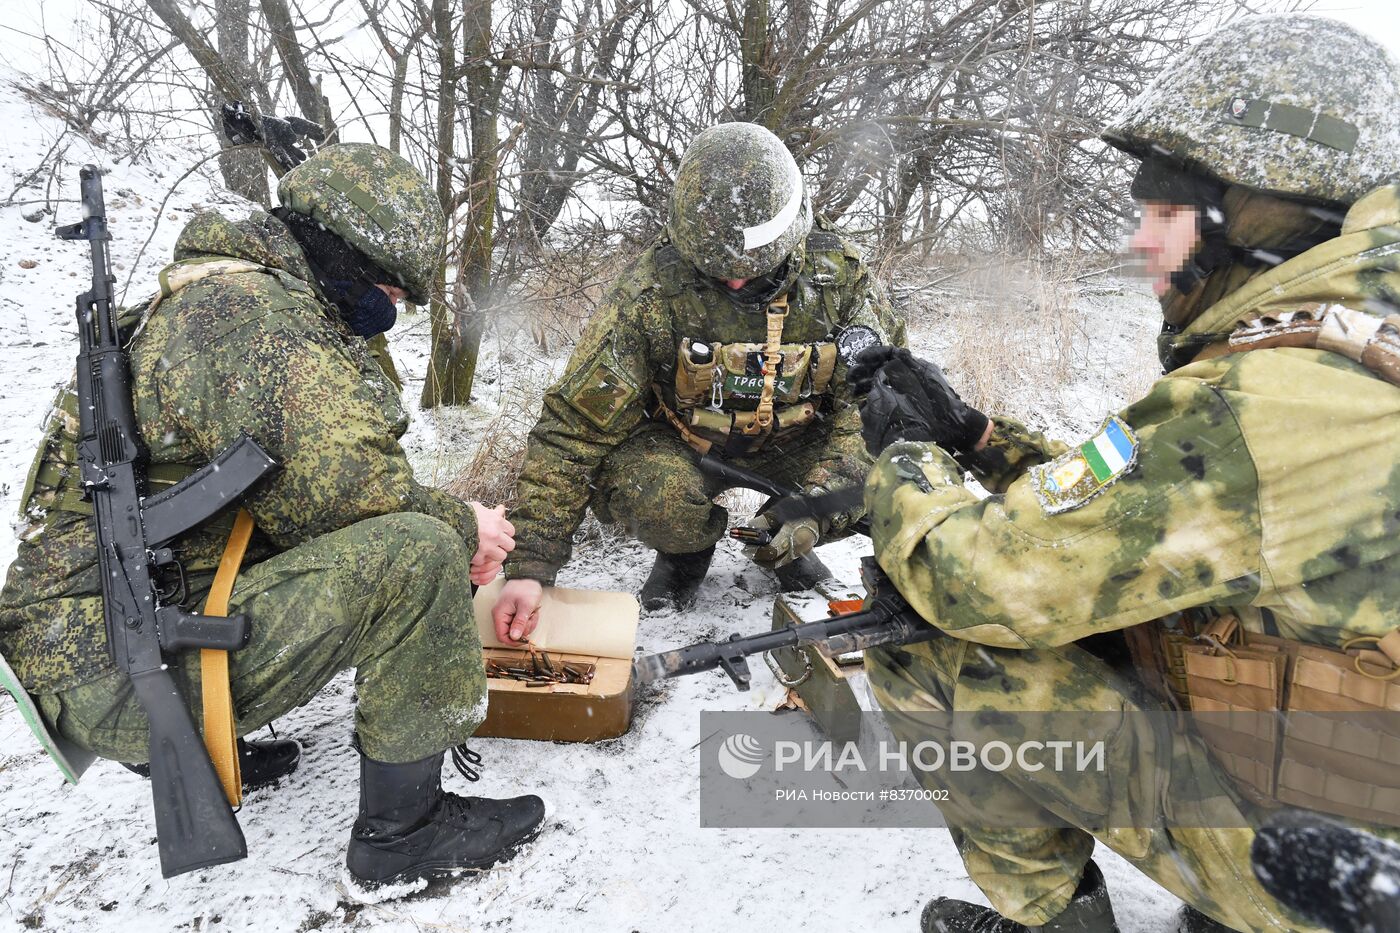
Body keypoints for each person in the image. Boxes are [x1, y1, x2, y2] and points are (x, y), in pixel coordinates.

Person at [850, 14, 1400, 933]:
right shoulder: (1356, 353)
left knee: (932, 640)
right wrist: (983, 436)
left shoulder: (1265, 398)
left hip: (1325, 875)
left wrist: (906, 456)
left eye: (1165, 215)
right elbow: (1150, 514)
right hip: (1366, 824)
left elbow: (983, 575)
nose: (1142, 246)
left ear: (1258, 215)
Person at [0, 143, 544, 890]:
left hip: (92, 643)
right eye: (390, 289)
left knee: (331, 528)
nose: (391, 311)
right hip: (120, 665)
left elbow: (299, 487)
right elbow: (356, 495)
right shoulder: (249, 318)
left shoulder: (222, 295)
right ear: (345, 255)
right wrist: (466, 526)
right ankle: (404, 836)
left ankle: (215, 737)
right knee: (415, 551)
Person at [492, 121, 906, 636]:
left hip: (803, 444)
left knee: (885, 475)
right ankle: (687, 551)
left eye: (751, 267)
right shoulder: (652, 292)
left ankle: (787, 538)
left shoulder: (840, 281)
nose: (734, 280)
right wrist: (531, 567)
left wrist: (817, 504)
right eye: (718, 267)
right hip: (688, 444)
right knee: (653, 494)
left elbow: (879, 413)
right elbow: (573, 428)